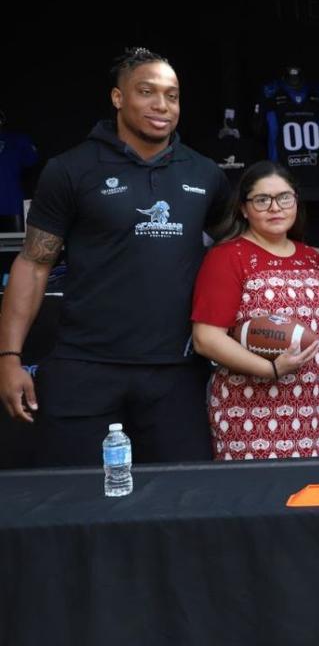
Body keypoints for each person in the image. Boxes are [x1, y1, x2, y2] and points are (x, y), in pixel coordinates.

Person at [0, 47, 230, 465]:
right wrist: (9, 358)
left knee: (180, 506)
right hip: (84, 369)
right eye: (147, 92)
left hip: (175, 373)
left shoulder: (204, 173)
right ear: (118, 98)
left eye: (172, 95)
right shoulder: (71, 169)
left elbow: (235, 254)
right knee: (78, 505)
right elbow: (33, 265)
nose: (162, 105)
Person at [190, 161, 319, 460]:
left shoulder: (311, 257)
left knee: (308, 499)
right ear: (243, 208)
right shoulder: (227, 257)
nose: (274, 208)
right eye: (262, 200)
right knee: (255, 499)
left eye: (284, 198)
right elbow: (206, 338)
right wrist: (271, 370)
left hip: (309, 408)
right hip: (249, 409)